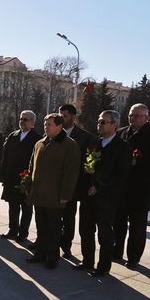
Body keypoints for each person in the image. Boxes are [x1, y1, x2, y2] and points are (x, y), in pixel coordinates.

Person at [75, 110, 132, 277]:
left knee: (104, 233)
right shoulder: (94, 143)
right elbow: (86, 167)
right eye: (99, 122)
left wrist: (99, 187)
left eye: (103, 122)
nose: (99, 125)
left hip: (107, 198)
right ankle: (87, 261)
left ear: (114, 125)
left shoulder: (123, 147)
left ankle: (103, 266)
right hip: (88, 196)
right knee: (85, 230)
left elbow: (122, 174)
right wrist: (87, 175)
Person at [26, 113, 81, 268]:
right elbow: (32, 167)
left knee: (54, 229)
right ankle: (40, 253)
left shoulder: (70, 145)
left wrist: (65, 195)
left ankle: (52, 257)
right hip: (39, 194)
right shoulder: (39, 143)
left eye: (49, 124)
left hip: (55, 196)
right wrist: (29, 186)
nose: (46, 127)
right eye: (45, 124)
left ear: (59, 126)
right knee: (41, 226)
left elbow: (72, 173)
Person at [113, 103, 150, 269]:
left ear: (146, 118)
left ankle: (133, 257)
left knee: (137, 227)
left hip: (140, 188)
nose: (133, 118)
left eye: (137, 116)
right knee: (118, 223)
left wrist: (138, 163)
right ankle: (116, 251)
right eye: (131, 115)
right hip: (121, 188)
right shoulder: (121, 132)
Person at [58, 104, 96, 258]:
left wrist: (89, 170)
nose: (61, 119)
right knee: (55, 216)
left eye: (64, 116)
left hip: (76, 184)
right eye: (60, 116)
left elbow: (91, 159)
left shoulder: (86, 137)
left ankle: (66, 246)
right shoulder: (54, 133)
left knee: (68, 216)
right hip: (56, 182)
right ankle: (52, 242)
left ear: (73, 117)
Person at [0, 110, 41, 241]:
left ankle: (23, 232)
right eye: (21, 119)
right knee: (13, 205)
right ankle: (13, 229)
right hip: (11, 177)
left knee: (26, 207)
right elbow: (5, 156)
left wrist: (31, 179)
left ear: (32, 122)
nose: (22, 122)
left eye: (25, 119)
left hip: (26, 179)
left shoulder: (36, 138)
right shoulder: (13, 135)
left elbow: (36, 161)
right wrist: (3, 174)